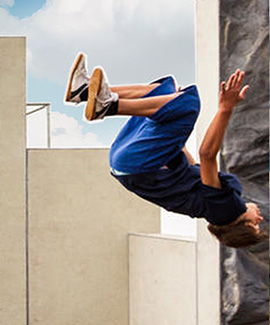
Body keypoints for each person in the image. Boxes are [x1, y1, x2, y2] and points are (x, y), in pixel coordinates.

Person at [66, 53, 265, 247]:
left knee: (188, 105)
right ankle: (83, 92)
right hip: (126, 164)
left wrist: (225, 108)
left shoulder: (228, 210)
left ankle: (107, 106)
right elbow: (192, 165)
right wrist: (173, 125)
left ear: (244, 225)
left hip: (140, 164)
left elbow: (207, 155)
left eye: (256, 225)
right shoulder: (209, 207)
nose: (259, 218)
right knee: (166, 93)